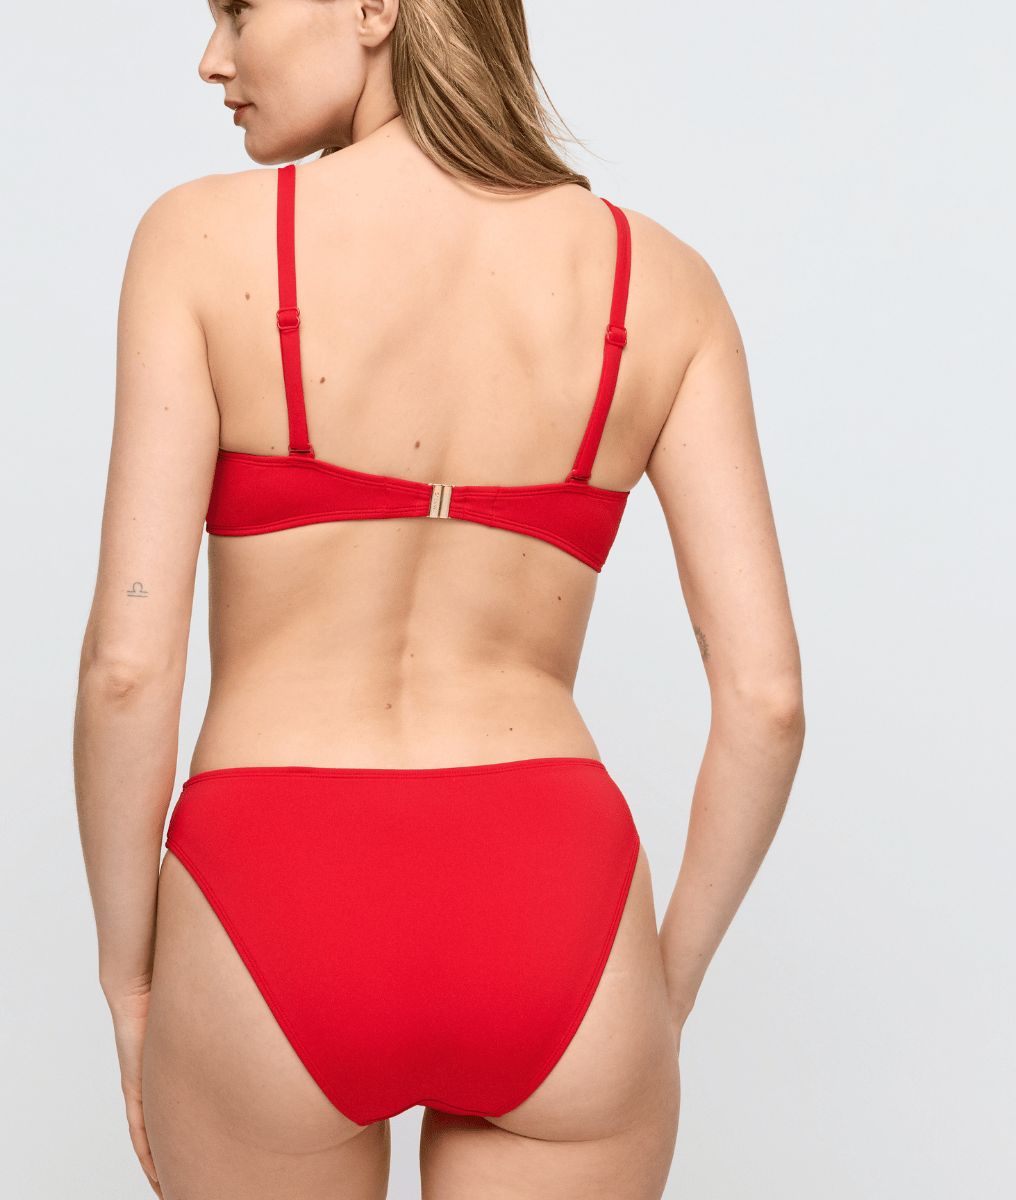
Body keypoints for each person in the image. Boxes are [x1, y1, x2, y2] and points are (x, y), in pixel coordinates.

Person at [73, 0, 805, 1196]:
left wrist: (130, 977)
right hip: (556, 909)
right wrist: (656, 996)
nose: (214, 58)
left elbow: (127, 669)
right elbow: (768, 702)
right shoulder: (664, 285)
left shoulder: (200, 243)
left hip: (277, 888)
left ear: (375, 7)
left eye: (240, 9)